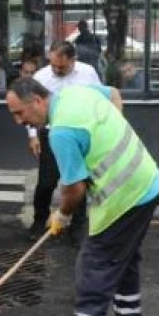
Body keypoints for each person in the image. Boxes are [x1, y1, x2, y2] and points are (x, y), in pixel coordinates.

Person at [6, 78, 159, 316]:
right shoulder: (77, 92)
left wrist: (62, 215)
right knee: (124, 258)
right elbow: (114, 93)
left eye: (19, 113)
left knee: (93, 266)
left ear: (38, 101)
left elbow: (74, 188)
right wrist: (112, 135)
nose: (18, 120)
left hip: (124, 196)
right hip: (146, 181)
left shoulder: (61, 132)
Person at [27, 41, 103, 242]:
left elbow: (100, 99)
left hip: (81, 134)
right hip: (52, 134)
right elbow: (30, 107)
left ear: (73, 60)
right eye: (53, 65)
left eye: (62, 66)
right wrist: (32, 135)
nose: (57, 70)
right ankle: (39, 221)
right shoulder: (41, 77)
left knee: (79, 182)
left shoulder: (88, 73)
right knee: (46, 182)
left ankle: (77, 228)